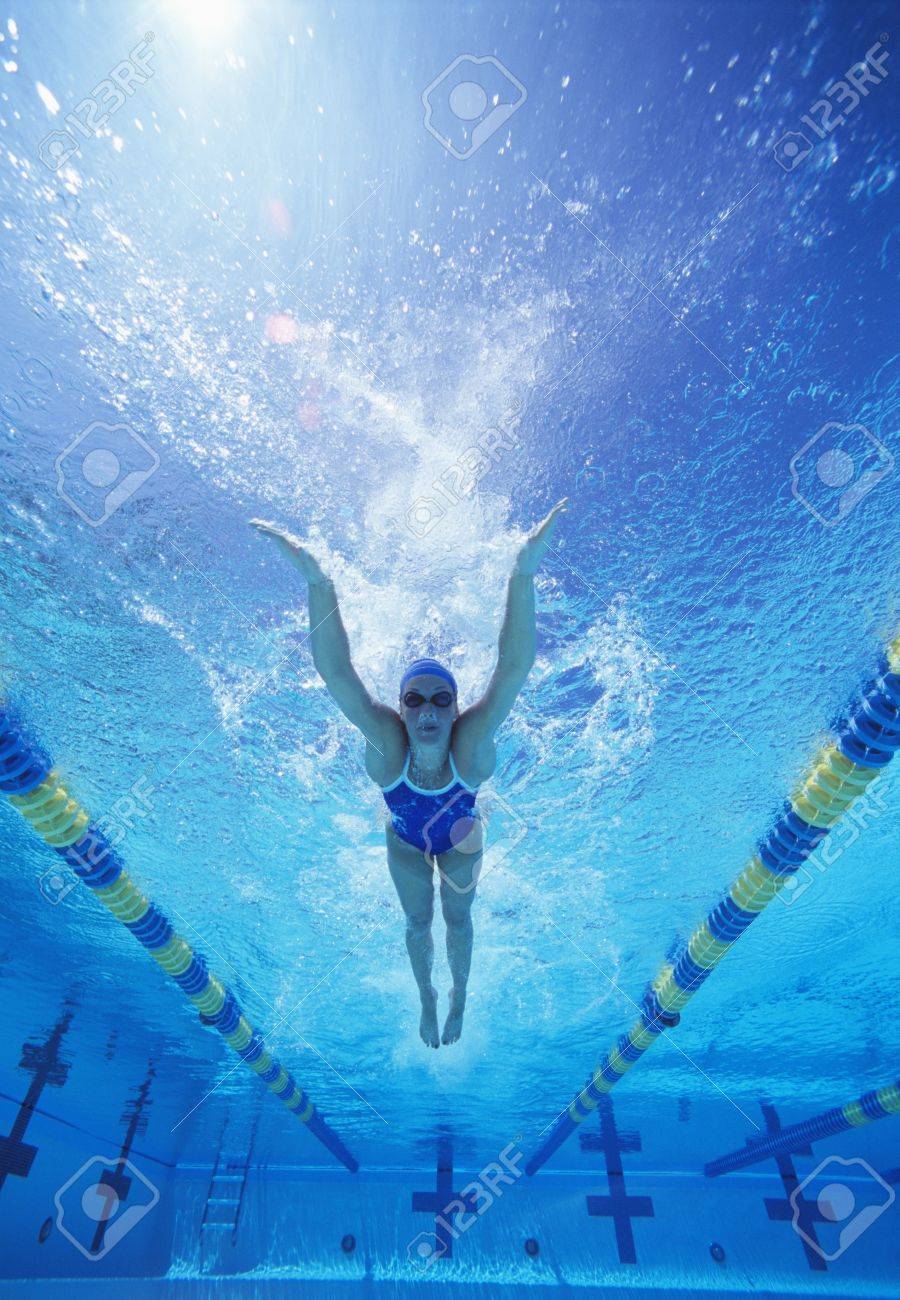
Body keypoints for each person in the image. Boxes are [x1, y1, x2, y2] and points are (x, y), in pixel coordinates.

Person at [250, 499, 568, 1046]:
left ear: (454, 708)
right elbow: (336, 672)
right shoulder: (387, 746)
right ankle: (426, 997)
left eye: (441, 700)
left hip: (462, 836)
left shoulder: (470, 748)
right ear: (400, 708)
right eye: (414, 700)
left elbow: (513, 667)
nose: (427, 710)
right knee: (420, 924)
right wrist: (318, 582)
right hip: (404, 841)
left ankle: (459, 997)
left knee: (458, 920)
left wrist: (523, 571)